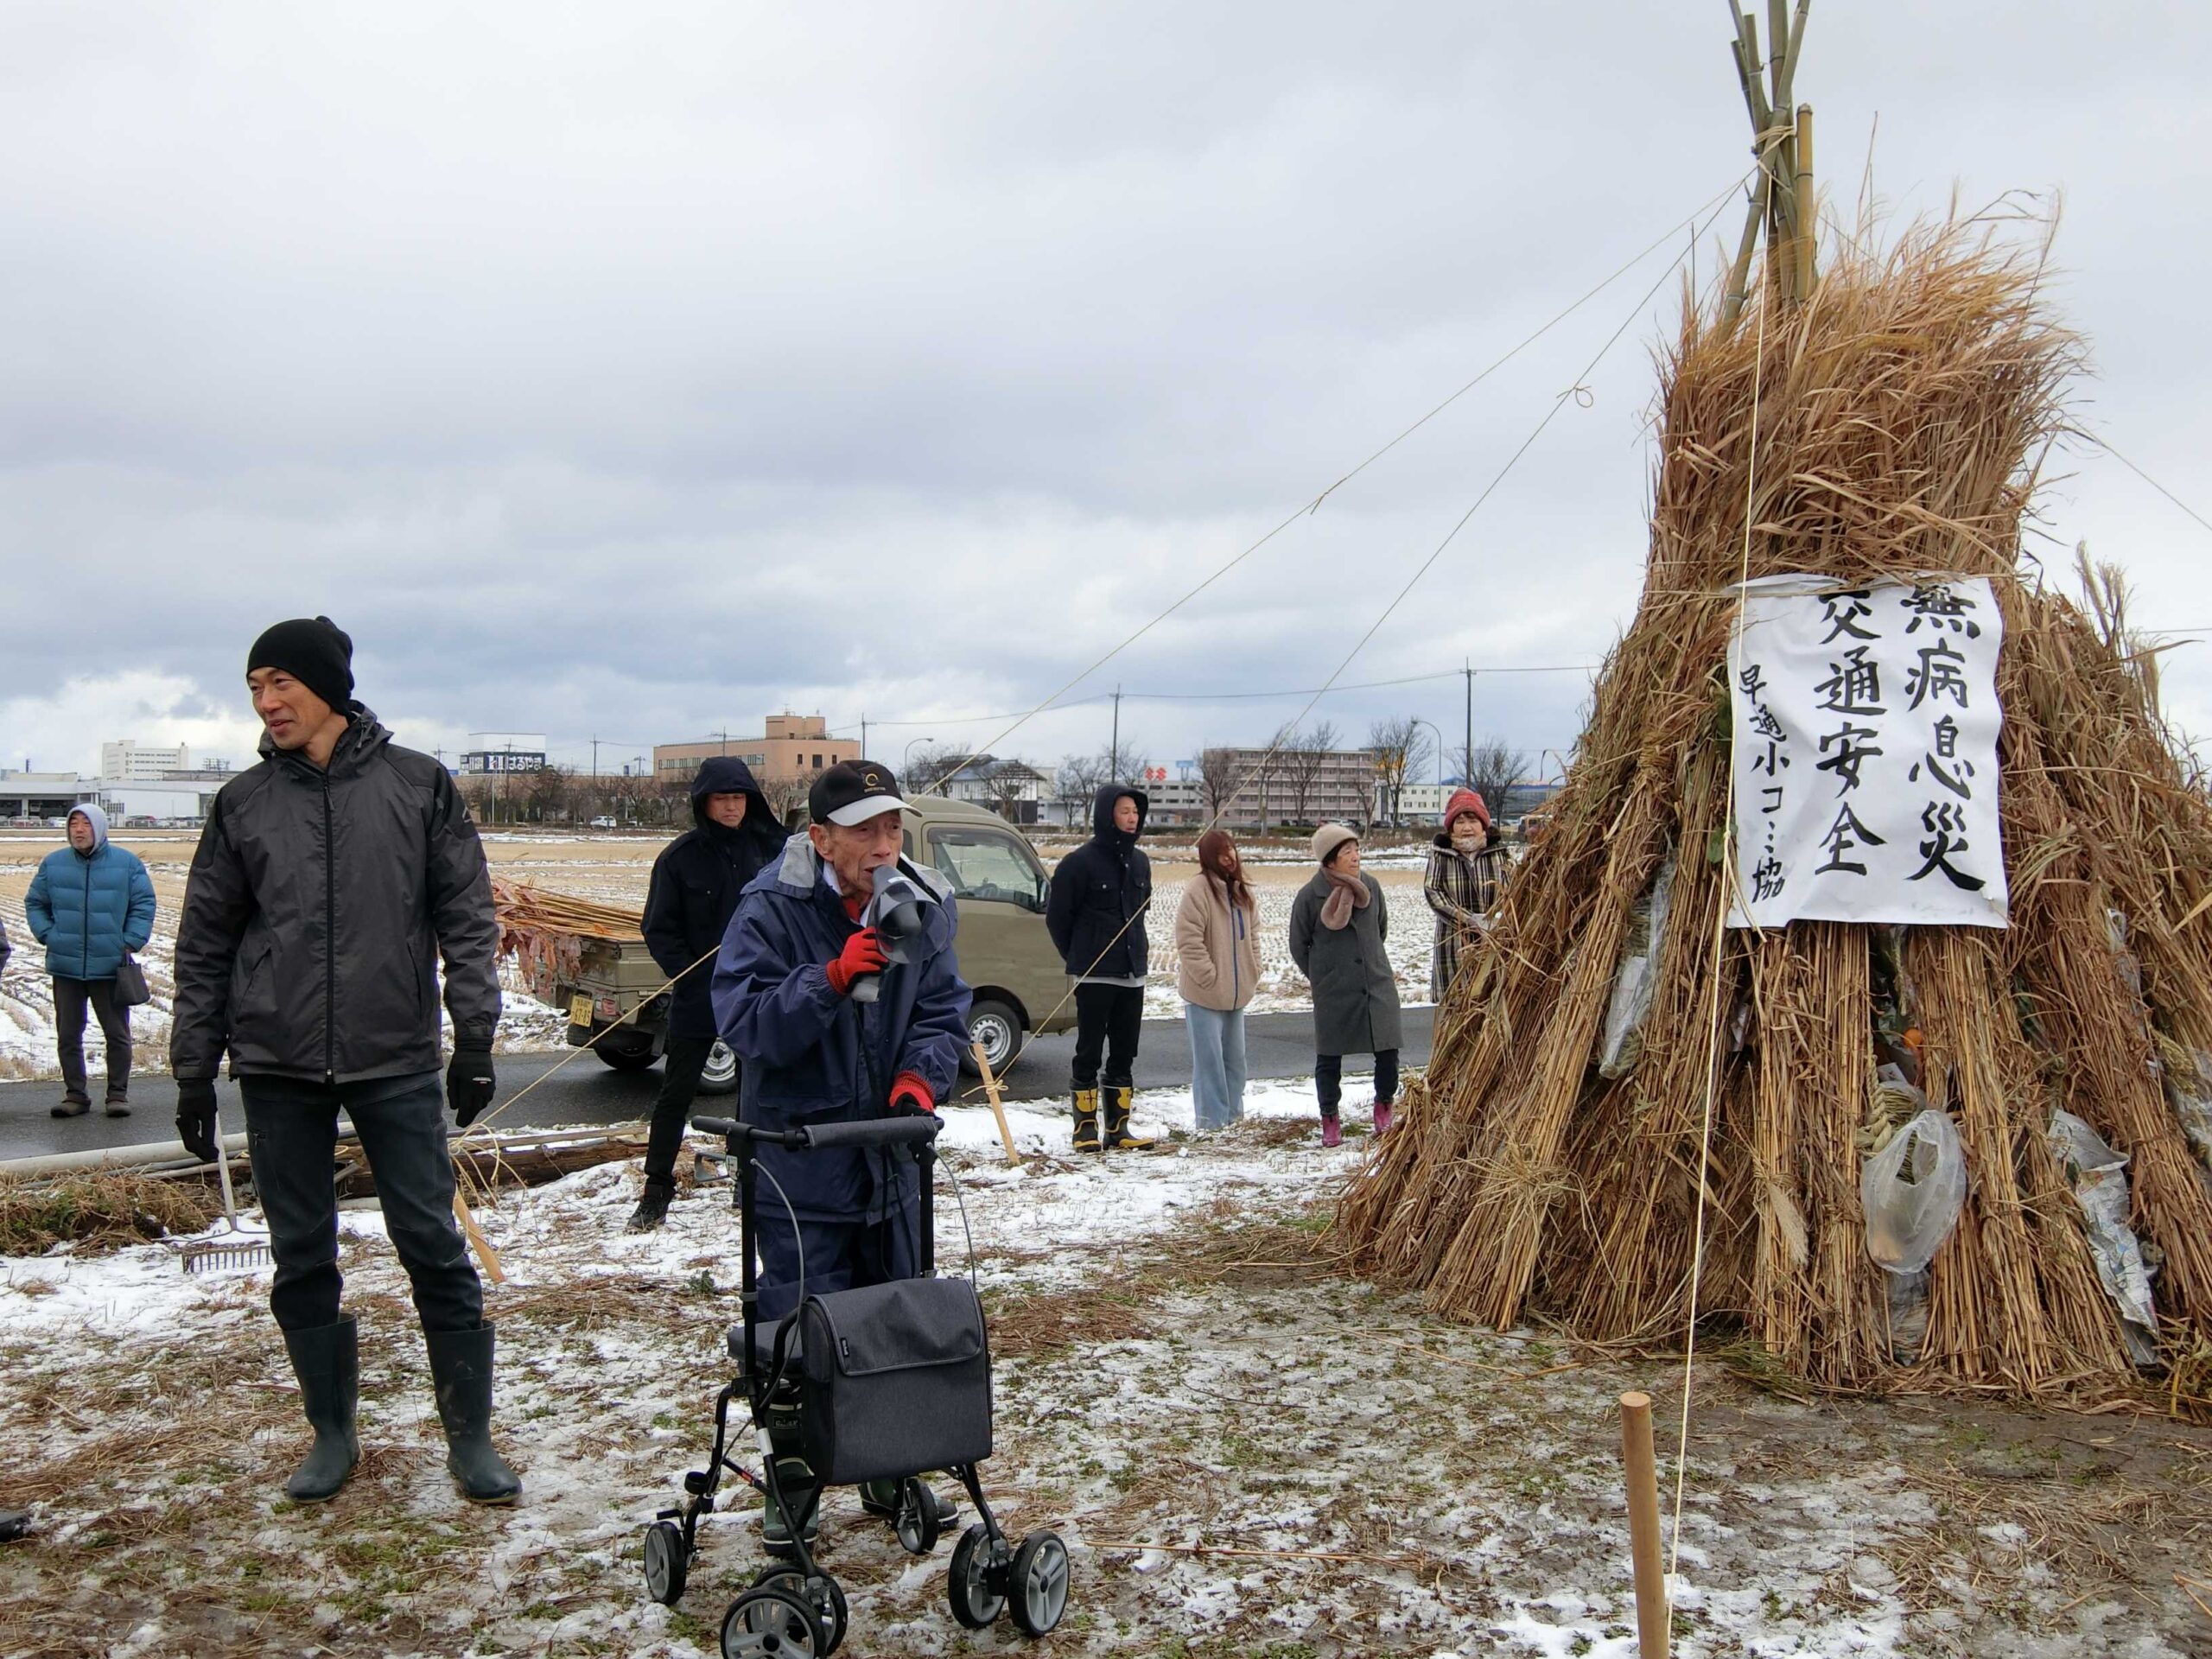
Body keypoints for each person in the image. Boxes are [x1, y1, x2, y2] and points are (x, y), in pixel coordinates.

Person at [170, 616, 519, 1507]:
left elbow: (467, 920)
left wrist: (473, 1038)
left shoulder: (418, 786)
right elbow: (205, 941)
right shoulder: (243, 803)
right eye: (254, 687)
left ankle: (469, 1437)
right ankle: (331, 1433)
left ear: (328, 686)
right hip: (278, 1061)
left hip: (393, 1056)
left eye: (280, 681)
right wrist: (191, 1066)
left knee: (433, 1245)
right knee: (302, 1254)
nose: (266, 701)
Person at [713, 760, 969, 1549]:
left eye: (893, 827)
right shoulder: (770, 908)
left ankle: (891, 1468)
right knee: (799, 1331)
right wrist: (827, 979)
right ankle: (792, 1489)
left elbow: (942, 1010)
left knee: (892, 1320)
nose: (884, 844)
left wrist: (918, 1085)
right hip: (801, 1165)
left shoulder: (924, 906)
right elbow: (744, 1021)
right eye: (864, 829)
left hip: (890, 1161)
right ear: (821, 839)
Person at [630, 757, 788, 1231]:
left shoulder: (773, 851)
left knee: (758, 1091)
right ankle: (656, 1190)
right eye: (722, 798)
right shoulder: (680, 859)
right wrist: (693, 977)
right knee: (675, 1093)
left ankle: (750, 1180)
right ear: (704, 803)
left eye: (739, 797)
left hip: (759, 992)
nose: (732, 807)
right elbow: (659, 929)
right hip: (701, 994)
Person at [24, 804, 155, 1118]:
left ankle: (117, 1095)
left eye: (86, 824)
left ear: (99, 828)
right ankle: (75, 1095)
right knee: (69, 1033)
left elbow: (143, 904)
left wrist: (128, 942)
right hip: (66, 965)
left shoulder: (126, 864)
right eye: (73, 824)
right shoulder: (53, 864)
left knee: (117, 1035)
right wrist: (48, 935)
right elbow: (35, 903)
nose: (79, 830)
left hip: (110, 966)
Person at [1046, 785, 1154, 1152]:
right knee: (1088, 1051)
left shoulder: (1141, 862)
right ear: (1108, 814)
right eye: (1125, 811)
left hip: (1132, 973)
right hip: (1094, 974)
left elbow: (1141, 914)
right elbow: (1058, 918)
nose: (1132, 818)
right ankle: (1085, 1131)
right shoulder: (1079, 862)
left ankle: (1119, 1129)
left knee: (1125, 1052)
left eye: (1136, 812)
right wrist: (1079, 956)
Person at [1288, 823, 1402, 1147]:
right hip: (1333, 990)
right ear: (1329, 860)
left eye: (1356, 850)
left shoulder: (1371, 886)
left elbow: (1381, 929)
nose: (1355, 857)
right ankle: (1330, 1119)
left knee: (1387, 1049)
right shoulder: (1310, 896)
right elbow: (1299, 944)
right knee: (1329, 1057)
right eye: (1346, 852)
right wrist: (1322, 977)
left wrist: (1370, 964)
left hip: (1376, 983)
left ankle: (1383, 1109)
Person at [1174, 829, 1260, 1132]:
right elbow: (1188, 940)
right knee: (1210, 1064)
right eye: (1223, 852)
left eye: (1232, 850)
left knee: (1236, 1062)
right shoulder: (1198, 889)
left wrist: (1254, 970)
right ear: (1209, 856)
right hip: (1205, 996)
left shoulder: (1241, 890)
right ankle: (1211, 1123)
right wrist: (1209, 976)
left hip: (1237, 995)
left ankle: (1234, 1118)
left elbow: (1254, 936)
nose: (1230, 857)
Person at [1423, 788, 1510, 1002]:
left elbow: (1513, 890)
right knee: (1458, 1008)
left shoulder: (1500, 854)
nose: (1467, 828)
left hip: (1495, 943)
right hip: (1454, 946)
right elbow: (1433, 892)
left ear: (1483, 825)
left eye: (1472, 820)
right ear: (1451, 828)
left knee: (1493, 1002)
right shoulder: (1441, 855)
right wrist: (1468, 920)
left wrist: (1497, 919)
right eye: (1459, 822)